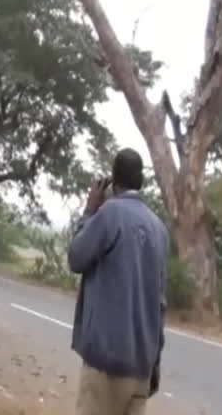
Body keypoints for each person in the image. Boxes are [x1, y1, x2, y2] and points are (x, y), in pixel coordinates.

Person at [68, 148, 168, 415]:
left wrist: (89, 211)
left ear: (114, 181)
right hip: (141, 368)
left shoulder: (110, 214)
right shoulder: (159, 228)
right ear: (140, 181)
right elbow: (160, 303)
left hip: (107, 364)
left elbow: (76, 258)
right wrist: (154, 364)